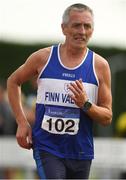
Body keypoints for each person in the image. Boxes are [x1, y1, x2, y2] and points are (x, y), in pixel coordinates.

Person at [7, 3, 112, 179]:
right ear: (64, 28)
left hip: (81, 152)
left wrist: (85, 104)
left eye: (87, 26)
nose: (82, 31)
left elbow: (107, 117)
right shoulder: (43, 58)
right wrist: (22, 121)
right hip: (47, 148)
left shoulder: (99, 66)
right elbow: (13, 82)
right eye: (76, 25)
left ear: (92, 30)